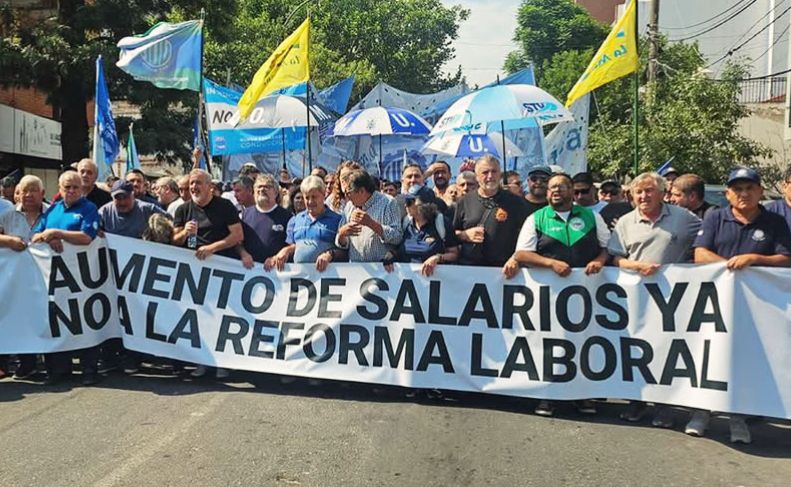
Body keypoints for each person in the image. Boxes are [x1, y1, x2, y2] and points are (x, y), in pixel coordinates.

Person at [687, 167, 791, 444]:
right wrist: (728, 267)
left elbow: (785, 259)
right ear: (728, 194)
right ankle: (701, 412)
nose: (744, 194)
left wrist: (754, 259)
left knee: (745, 359)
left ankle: (738, 417)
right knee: (708, 354)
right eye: (738, 189)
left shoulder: (775, 221)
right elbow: (700, 254)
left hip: (756, 306)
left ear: (760, 192)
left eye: (750, 188)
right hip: (715, 301)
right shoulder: (715, 217)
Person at [507, 172, 609, 417]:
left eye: (561, 187)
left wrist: (598, 260)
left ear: (572, 191)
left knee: (584, 342)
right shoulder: (537, 219)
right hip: (547, 294)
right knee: (547, 344)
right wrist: (550, 264)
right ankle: (547, 395)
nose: (555, 191)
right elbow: (521, 254)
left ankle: (584, 395)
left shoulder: (592, 217)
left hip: (585, 292)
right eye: (552, 187)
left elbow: (608, 249)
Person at [607, 172, 701, 426]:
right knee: (638, 349)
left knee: (666, 349)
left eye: (649, 191)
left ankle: (666, 406)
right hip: (636, 296)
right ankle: (636, 402)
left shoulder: (685, 219)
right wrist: (636, 266)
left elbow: (703, 243)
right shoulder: (625, 222)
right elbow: (616, 258)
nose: (644, 196)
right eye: (639, 192)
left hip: (674, 298)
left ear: (662, 193)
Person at [31, 171, 101, 386]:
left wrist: (57, 233)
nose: (71, 191)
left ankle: (89, 369)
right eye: (66, 187)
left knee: (84, 320)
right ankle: (59, 370)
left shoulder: (89, 209)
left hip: (83, 280)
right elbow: (34, 236)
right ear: (59, 189)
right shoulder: (53, 209)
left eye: (75, 187)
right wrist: (47, 237)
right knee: (58, 322)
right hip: (56, 280)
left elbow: (87, 237)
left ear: (82, 189)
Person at [98, 180, 167, 373]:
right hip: (113, 275)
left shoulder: (148, 209)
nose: (121, 202)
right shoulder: (104, 212)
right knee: (113, 314)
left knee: (136, 317)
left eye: (125, 197)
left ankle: (133, 358)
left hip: (141, 275)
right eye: (117, 198)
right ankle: (111, 357)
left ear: (133, 195)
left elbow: (170, 231)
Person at [0, 175, 48, 380]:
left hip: (45, 279)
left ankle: (52, 361)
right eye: (24, 190)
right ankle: (26, 363)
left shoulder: (52, 214)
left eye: (33, 190)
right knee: (18, 317)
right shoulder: (8, 216)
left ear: (42, 193)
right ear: (18, 193)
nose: (28, 195)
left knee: (44, 317)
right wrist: (8, 240)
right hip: (17, 280)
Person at [453, 155, 530, 268]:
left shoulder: (516, 203)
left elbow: (527, 236)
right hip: (469, 269)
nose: (490, 176)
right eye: (485, 172)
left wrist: (515, 259)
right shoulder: (464, 202)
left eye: (494, 171)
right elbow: (450, 236)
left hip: (504, 270)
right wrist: (464, 235)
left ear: (499, 174)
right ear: (477, 177)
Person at [267, 176, 344, 271]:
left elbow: (344, 252)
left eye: (314, 197)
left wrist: (330, 255)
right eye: (307, 197)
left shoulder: (337, 220)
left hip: (327, 278)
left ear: (324, 195)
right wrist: (285, 251)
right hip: (301, 279)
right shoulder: (296, 220)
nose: (310, 201)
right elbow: (294, 245)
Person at [384, 192, 459, 276]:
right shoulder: (406, 223)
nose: (405, 206)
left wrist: (437, 258)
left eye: (409, 202)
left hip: (433, 280)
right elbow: (400, 249)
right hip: (408, 280)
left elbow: (454, 254)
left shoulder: (441, 222)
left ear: (422, 205)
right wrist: (392, 254)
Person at [336, 169, 402, 262]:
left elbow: (397, 237)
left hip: (382, 271)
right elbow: (341, 243)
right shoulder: (349, 206)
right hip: (355, 270)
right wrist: (342, 234)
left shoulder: (388, 203)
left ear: (362, 191)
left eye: (349, 193)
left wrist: (371, 224)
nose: (347, 197)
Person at [238, 174, 292, 268]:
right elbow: (237, 242)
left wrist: (276, 257)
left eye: (267, 187)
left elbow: (293, 245)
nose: (262, 189)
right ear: (254, 192)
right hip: (248, 272)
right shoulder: (244, 215)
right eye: (259, 187)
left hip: (276, 273)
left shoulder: (287, 217)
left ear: (275, 192)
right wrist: (243, 254)